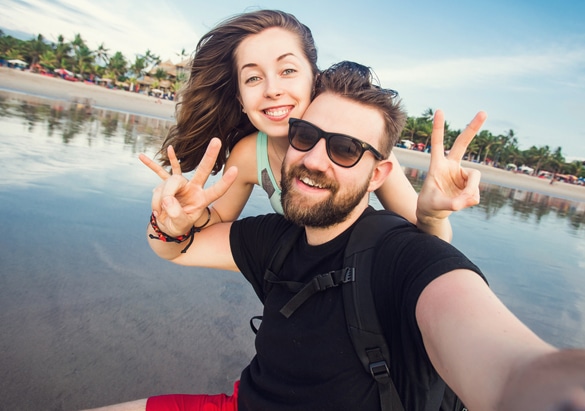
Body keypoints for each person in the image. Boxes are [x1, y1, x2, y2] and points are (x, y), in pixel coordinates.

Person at [86, 61, 585, 411]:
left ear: (377, 174)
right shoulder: (276, 238)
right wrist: (170, 223)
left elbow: (513, 374)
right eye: (306, 136)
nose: (315, 159)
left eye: (346, 149)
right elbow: (180, 249)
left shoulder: (403, 258)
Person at [150, 9, 481, 242]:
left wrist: (435, 217)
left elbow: (430, 238)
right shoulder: (250, 154)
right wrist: (185, 213)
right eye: (253, 77)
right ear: (240, 99)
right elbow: (218, 220)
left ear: (314, 78)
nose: (272, 89)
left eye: (288, 71)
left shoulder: (357, 146)